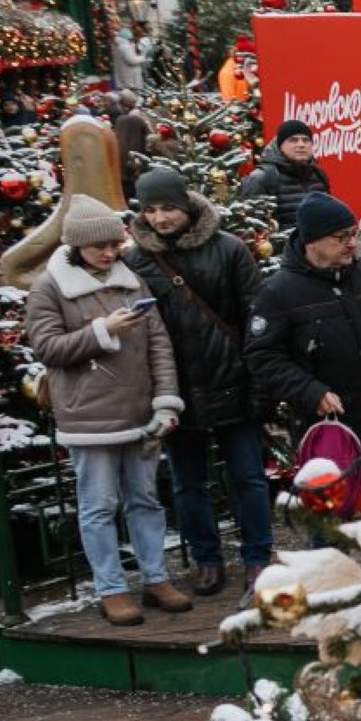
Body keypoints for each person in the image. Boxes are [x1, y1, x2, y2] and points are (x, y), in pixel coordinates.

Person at [25, 196, 191, 626]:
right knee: (98, 506)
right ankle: (111, 588)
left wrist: (166, 401)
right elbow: (48, 349)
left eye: (114, 244)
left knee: (146, 500)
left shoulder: (131, 281)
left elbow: (159, 345)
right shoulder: (49, 287)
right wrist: (103, 330)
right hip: (89, 417)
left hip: (140, 411)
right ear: (76, 245)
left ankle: (155, 578)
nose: (109, 252)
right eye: (99, 245)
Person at [125, 166, 272, 597]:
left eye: (168, 208)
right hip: (177, 388)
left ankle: (258, 556)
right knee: (188, 483)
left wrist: (259, 382)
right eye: (151, 210)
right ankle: (207, 559)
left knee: (248, 477)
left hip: (231, 378)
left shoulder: (229, 249)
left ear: (186, 205)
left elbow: (256, 317)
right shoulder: (136, 261)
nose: (160, 218)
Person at [244, 194, 361, 532]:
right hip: (327, 425)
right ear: (311, 241)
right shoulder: (278, 292)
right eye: (340, 238)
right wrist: (310, 391)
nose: (351, 243)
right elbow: (261, 356)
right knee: (329, 522)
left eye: (353, 234)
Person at [243, 118, 329, 230]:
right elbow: (252, 226)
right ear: (280, 146)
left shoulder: (318, 174)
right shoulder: (262, 177)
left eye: (306, 140)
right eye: (293, 140)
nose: (301, 145)